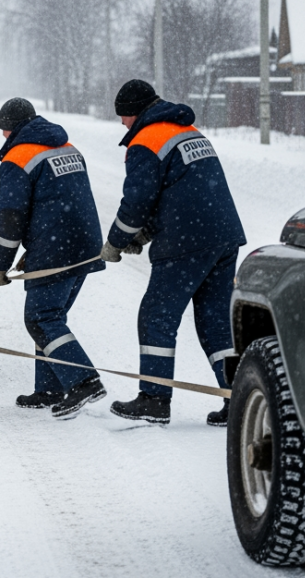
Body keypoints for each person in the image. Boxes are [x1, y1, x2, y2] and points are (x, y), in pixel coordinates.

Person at [100, 80, 246, 426]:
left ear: (133, 113)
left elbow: (137, 201)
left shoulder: (144, 141)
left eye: (122, 117)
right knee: (215, 320)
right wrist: (145, 234)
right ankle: (238, 399)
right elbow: (182, 190)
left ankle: (153, 398)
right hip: (223, 236)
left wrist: (117, 240)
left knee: (156, 316)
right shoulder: (189, 132)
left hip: (187, 241)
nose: (122, 124)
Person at [0, 98, 107, 419]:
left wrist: (0, 264)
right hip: (83, 244)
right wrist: (35, 249)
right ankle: (50, 388)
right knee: (52, 317)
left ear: (10, 129)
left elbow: (11, 217)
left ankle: (84, 381)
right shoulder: (68, 148)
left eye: (3, 131)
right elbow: (60, 203)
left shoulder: (18, 158)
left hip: (57, 248)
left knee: (41, 319)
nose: (3, 137)